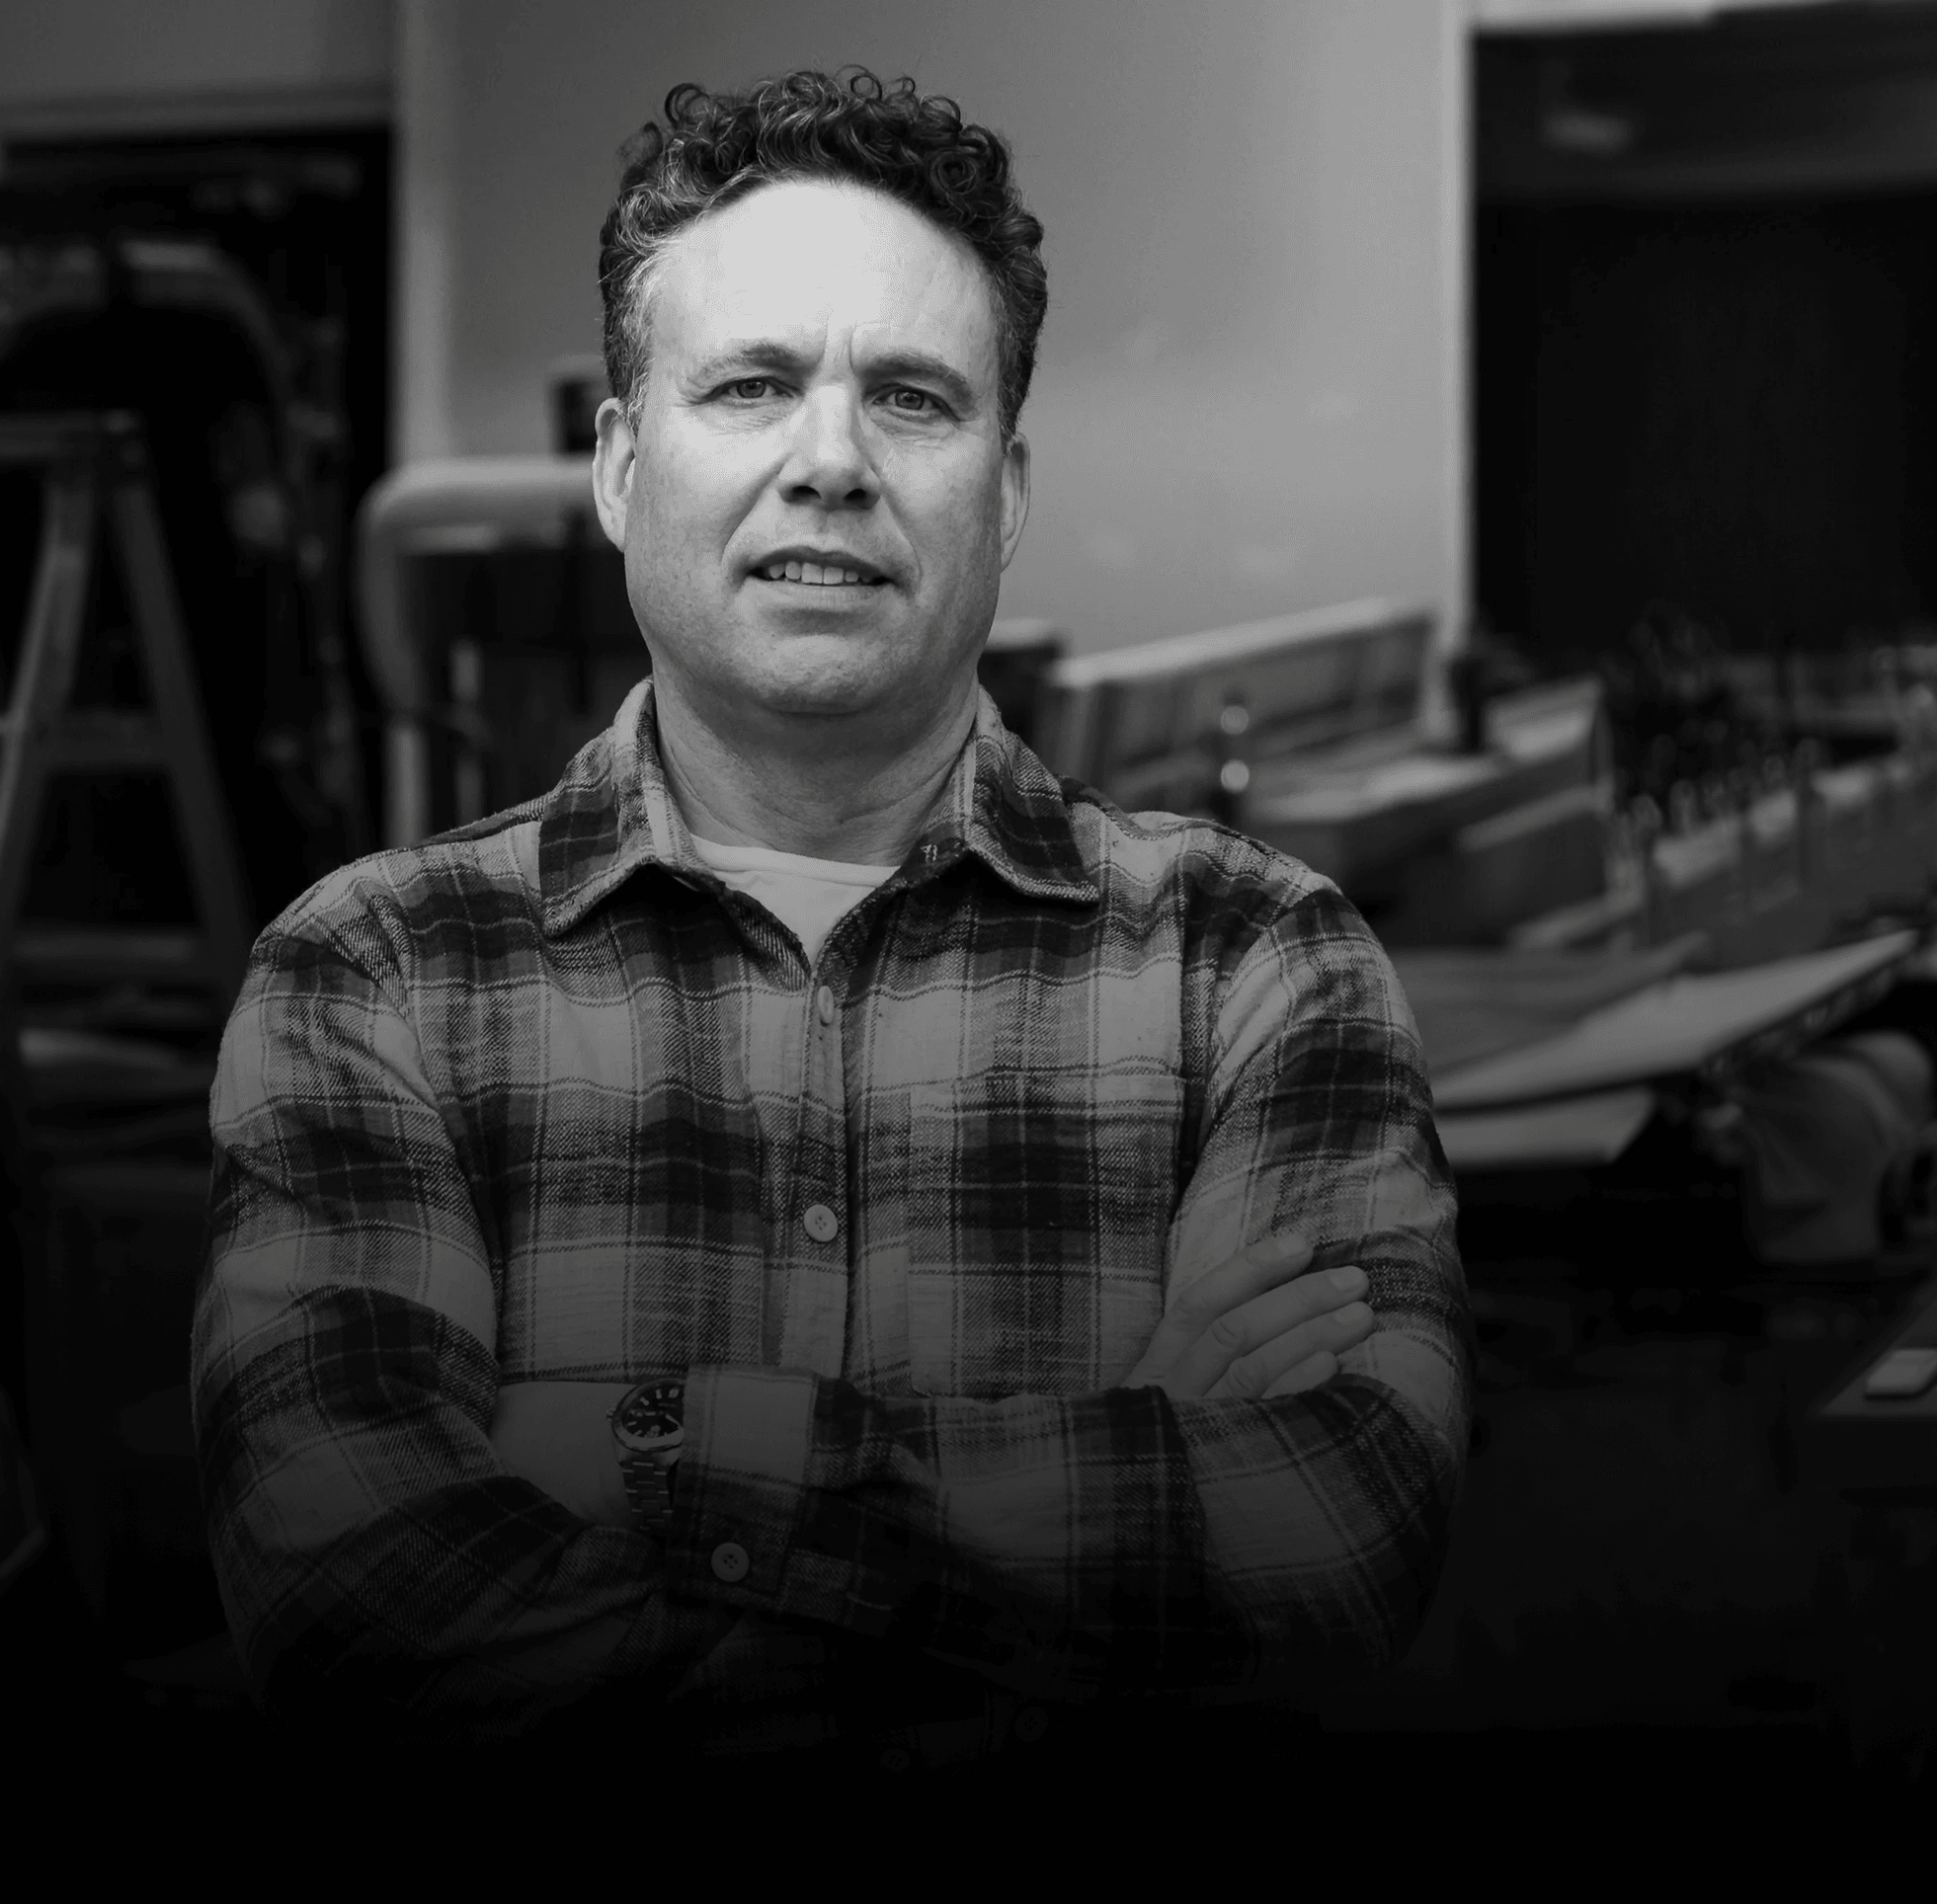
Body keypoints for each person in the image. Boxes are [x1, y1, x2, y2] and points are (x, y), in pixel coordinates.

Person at [193, 68, 1469, 1781]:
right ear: (623, 468)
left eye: (914, 400)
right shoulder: (375, 983)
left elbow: (1334, 1542)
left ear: (1003, 493)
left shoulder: (1252, 963)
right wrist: (1125, 1451)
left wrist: (640, 1449)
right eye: (750, 386)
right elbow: (357, 1613)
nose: (831, 463)